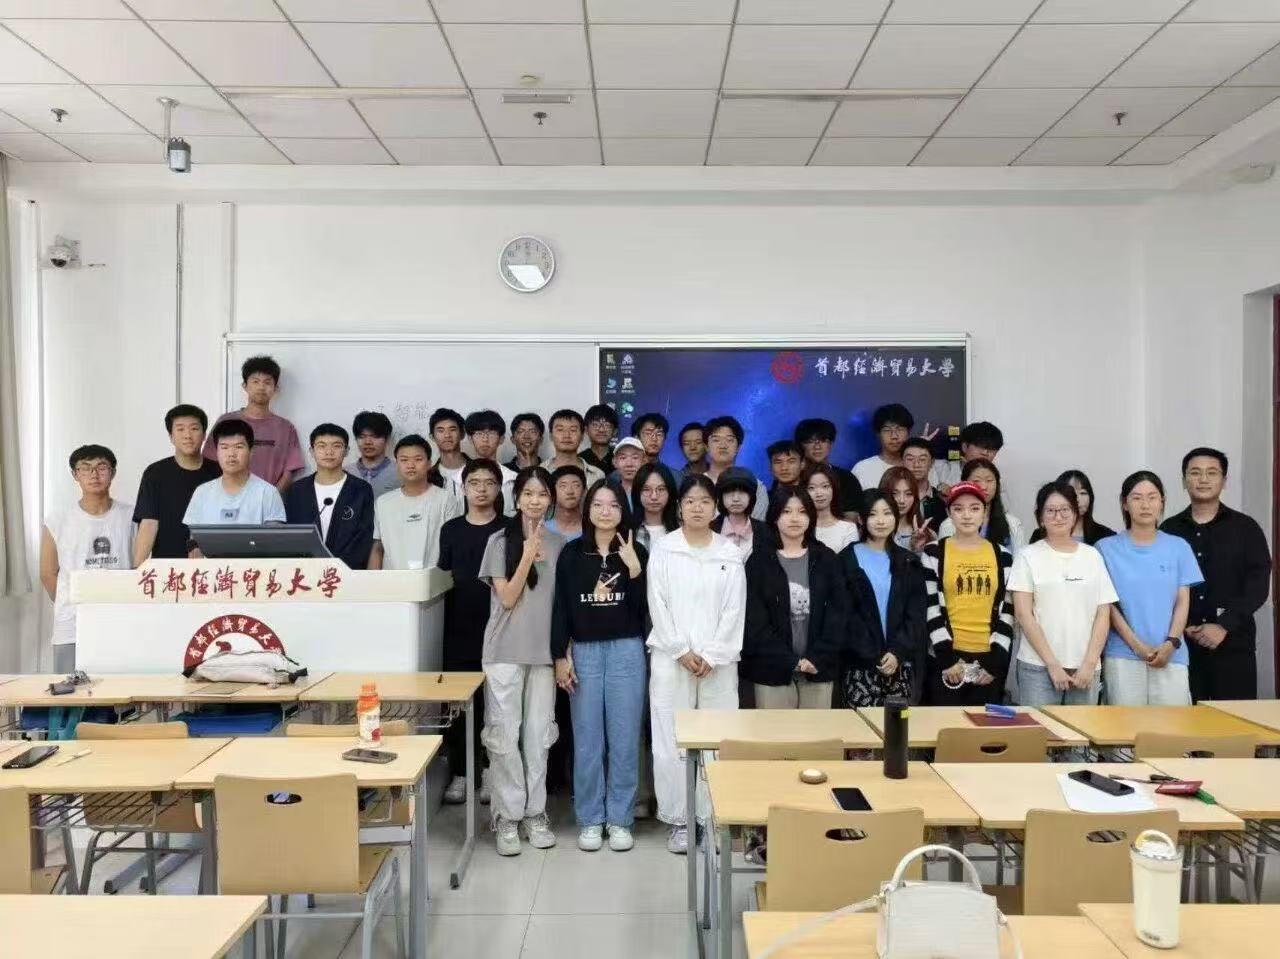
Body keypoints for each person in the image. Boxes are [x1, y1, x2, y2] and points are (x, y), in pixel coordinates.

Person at [648, 474, 746, 855]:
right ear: (679, 507)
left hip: (717, 663)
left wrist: (712, 653)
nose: (697, 507)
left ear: (715, 508)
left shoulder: (729, 552)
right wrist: (680, 649)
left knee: (716, 740)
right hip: (672, 659)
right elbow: (657, 602)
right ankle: (680, 820)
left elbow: (734, 609)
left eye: (705, 501)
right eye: (690, 501)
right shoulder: (664, 548)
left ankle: (712, 817)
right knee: (670, 739)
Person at [552, 480, 649, 853]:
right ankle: (591, 819)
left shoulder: (637, 550)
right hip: (585, 652)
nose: (606, 511)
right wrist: (560, 656)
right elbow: (561, 607)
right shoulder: (572, 553)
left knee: (624, 738)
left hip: (627, 650)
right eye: (598, 504)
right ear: (588, 509)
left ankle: (620, 819)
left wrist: (635, 571)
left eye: (613, 505)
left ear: (623, 511)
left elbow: (644, 612)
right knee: (588, 739)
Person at [479, 467, 565, 856]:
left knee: (538, 736)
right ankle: (507, 816)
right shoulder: (499, 542)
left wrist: (564, 653)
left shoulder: (560, 545)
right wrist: (528, 556)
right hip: (504, 653)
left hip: (544, 653)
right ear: (516, 499)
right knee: (504, 737)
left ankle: (535, 813)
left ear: (550, 501)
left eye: (542, 494)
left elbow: (563, 607)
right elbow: (508, 597)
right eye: (528, 493)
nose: (535, 501)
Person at [1162, 448, 1272, 701]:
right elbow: (1161, 586)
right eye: (1195, 473)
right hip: (1182, 647)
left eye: (1212, 473)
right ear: (1184, 481)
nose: (1203, 479)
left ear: (1224, 481)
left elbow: (1257, 584)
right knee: (1184, 720)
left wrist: (1224, 625)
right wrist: (1181, 627)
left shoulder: (1245, 528)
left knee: (1235, 720)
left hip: (1234, 644)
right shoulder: (1169, 530)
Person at [1097, 471, 1203, 706]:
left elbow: (1182, 601)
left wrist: (1171, 643)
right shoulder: (1105, 548)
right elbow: (1107, 605)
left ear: (1162, 501)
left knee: (1172, 725)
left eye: (1152, 497)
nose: (1145, 505)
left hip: (1172, 655)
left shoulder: (1179, 547)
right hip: (1123, 655)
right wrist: (1137, 646)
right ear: (1124, 503)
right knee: (1124, 725)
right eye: (1136, 498)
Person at [1009, 482, 1116, 707]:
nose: (1058, 516)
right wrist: (1052, 664)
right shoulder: (1027, 556)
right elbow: (1023, 614)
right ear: (1040, 517)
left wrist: (1090, 663)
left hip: (1086, 669)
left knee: (1081, 730)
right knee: (1040, 728)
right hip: (1038, 667)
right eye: (1050, 510)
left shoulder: (1092, 556)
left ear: (1076, 513)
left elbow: (1103, 614)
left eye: (1065, 509)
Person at [438, 459, 507, 806]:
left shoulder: (509, 528)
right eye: (474, 483)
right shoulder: (451, 529)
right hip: (459, 626)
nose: (482, 489)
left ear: (499, 488)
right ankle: (463, 772)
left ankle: (493, 770)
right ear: (463, 489)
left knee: (498, 704)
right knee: (461, 703)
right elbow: (444, 575)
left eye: (489, 482)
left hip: (502, 628)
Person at [743, 488, 846, 709]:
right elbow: (754, 620)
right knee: (776, 732)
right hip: (772, 668)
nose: (795, 518)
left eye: (802, 511)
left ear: (811, 516)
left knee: (816, 731)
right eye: (786, 511)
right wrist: (790, 661)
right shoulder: (759, 562)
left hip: (817, 667)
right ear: (775, 516)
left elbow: (838, 615)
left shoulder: (827, 559)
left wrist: (817, 657)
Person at [41, 444, 135, 673]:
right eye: (85, 468)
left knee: (120, 688)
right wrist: (70, 600)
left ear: (113, 472)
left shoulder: (132, 516)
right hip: (71, 624)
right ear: (75, 474)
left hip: (120, 620)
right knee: (69, 688)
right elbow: (48, 573)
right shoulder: (58, 519)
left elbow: (141, 565)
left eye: (101, 467)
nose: (94, 474)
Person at [920, 481, 1016, 706]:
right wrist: (947, 659)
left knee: (983, 726)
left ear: (984, 512)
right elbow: (930, 607)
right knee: (945, 725)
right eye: (958, 508)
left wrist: (994, 663)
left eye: (974, 508)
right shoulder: (934, 552)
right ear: (948, 513)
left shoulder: (1002, 555)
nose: (966, 515)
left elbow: (1008, 611)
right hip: (947, 660)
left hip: (988, 661)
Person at [841, 490, 927, 706]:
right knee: (859, 727)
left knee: (897, 727)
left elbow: (915, 616)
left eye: (887, 513)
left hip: (899, 665)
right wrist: (872, 654)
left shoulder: (909, 562)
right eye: (873, 514)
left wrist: (897, 653)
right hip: (859, 666)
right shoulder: (845, 560)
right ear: (861, 519)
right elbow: (843, 615)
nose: (881, 521)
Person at [133, 404, 221, 564]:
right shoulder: (155, 473)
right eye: (180, 429)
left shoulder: (219, 472)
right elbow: (149, 524)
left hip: (212, 564)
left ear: (204, 435)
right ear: (171, 436)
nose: (187, 435)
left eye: (194, 429)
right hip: (166, 565)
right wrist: (137, 570)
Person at [203, 355, 303, 493]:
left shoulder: (285, 428)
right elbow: (211, 462)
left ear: (275, 388)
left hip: (270, 500)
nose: (261, 387)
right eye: (255, 381)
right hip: (229, 497)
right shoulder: (225, 421)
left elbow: (289, 472)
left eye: (267, 382)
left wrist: (270, 498)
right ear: (245, 386)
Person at [284, 423, 375, 570]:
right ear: (311, 451)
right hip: (305, 572)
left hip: (347, 573)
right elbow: (291, 536)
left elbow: (363, 538)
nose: (329, 452)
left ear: (346, 451)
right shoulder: (297, 490)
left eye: (336, 446)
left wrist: (337, 569)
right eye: (321, 446)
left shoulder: (361, 490)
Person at [368, 434, 463, 570]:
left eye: (418, 459)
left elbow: (456, 545)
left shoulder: (446, 499)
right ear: (397, 464)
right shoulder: (383, 503)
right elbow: (377, 547)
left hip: (434, 580)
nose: (411, 465)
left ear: (429, 464)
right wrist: (373, 580)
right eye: (404, 460)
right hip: (392, 580)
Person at [184, 419, 286, 538]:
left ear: (251, 451)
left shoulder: (268, 493)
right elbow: (194, 542)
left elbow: (274, 542)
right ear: (217, 452)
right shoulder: (202, 492)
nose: (231, 454)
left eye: (238, 447)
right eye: (224, 447)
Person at [938, 458, 1026, 555]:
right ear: (965, 483)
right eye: (976, 481)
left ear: (997, 484)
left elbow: (1019, 560)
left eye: (989, 480)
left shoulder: (1013, 524)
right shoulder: (949, 525)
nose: (983, 487)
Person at [794, 417, 863, 519]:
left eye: (823, 440)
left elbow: (851, 517)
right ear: (800, 445)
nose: (817, 447)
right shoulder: (794, 478)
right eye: (810, 441)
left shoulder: (846, 478)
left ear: (830, 444)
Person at [702, 415, 767, 519]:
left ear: (738, 447)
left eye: (729, 440)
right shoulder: (696, 485)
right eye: (716, 440)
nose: (723, 445)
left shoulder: (756, 487)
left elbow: (757, 525)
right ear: (706, 447)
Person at [1029, 469, 1115, 546]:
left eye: (1083, 493)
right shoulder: (1039, 535)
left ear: (1090, 498)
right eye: (1071, 492)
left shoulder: (1105, 535)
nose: (1077, 499)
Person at [711, 465, 773, 560]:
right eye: (729, 492)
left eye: (742, 492)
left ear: (751, 496)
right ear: (721, 496)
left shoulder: (765, 531)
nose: (736, 499)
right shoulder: (710, 530)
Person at [852, 403, 915, 492]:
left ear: (909, 432)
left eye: (899, 429)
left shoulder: (919, 467)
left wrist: (922, 450)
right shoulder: (862, 469)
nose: (894, 436)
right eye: (887, 430)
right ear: (878, 434)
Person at [464, 409, 517, 514]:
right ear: (470, 438)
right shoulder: (456, 479)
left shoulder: (513, 478)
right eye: (479, 433)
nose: (485, 439)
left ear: (501, 439)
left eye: (491, 433)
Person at [935, 420, 1005, 494]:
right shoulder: (942, 469)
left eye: (991, 449)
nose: (985, 453)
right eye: (980, 446)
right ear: (965, 447)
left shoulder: (997, 478)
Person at [803, 462, 859, 554]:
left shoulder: (848, 528)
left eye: (825, 486)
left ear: (834, 489)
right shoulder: (799, 527)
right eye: (811, 488)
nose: (819, 493)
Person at [543, 409, 606, 488]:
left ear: (582, 436)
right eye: (560, 430)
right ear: (551, 436)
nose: (566, 435)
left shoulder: (597, 475)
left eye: (573, 430)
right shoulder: (540, 471)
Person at [880, 466, 934, 554]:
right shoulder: (874, 530)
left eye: (908, 494)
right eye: (894, 493)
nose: (902, 500)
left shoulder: (928, 534)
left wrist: (918, 550)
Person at [349, 410, 400, 499]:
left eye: (375, 436)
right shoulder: (346, 473)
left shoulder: (400, 472)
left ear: (387, 439)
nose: (368, 442)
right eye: (362, 437)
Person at [901, 437, 947, 529]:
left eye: (922, 459)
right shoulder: (892, 498)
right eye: (910, 459)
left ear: (932, 463)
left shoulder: (943, 500)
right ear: (902, 462)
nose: (916, 465)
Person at [633, 461, 678, 551]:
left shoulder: (681, 530)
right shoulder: (629, 531)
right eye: (646, 489)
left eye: (661, 489)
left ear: (670, 491)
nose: (654, 496)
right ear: (637, 492)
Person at [431, 407, 468, 495]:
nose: (447, 435)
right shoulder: (427, 477)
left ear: (462, 434)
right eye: (440, 431)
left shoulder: (480, 471)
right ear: (432, 437)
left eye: (452, 430)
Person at [545, 465, 585, 542]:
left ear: (584, 491)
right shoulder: (543, 529)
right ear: (552, 492)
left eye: (576, 486)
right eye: (563, 486)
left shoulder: (591, 529)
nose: (570, 491)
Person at [581, 403, 618, 476]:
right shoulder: (580, 460)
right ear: (586, 430)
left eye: (607, 425)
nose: (601, 429)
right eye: (595, 425)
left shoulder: (621, 458)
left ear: (615, 431)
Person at [611, 436, 647, 501]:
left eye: (635, 457)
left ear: (644, 461)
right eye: (623, 458)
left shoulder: (652, 494)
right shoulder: (609, 492)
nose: (629, 464)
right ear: (615, 462)